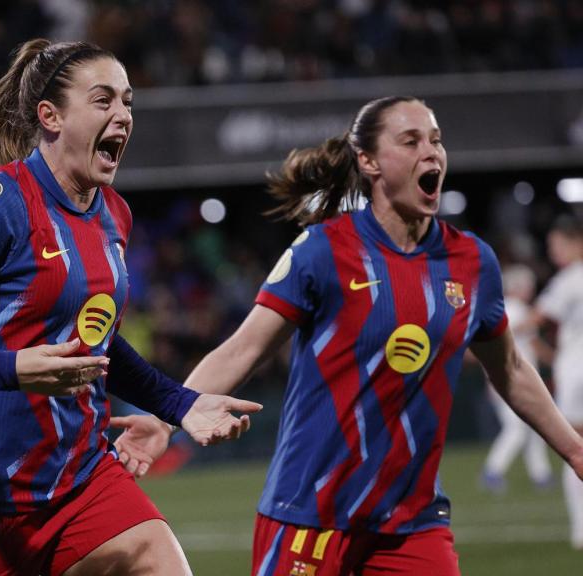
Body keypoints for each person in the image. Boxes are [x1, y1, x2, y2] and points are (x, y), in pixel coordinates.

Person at [112, 96, 583, 575]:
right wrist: (169, 419)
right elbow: (243, 348)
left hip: (413, 523)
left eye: (436, 141)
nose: (432, 153)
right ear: (369, 161)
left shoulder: (472, 262)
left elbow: (511, 369)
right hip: (310, 516)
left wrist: (575, 450)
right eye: (411, 141)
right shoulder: (323, 251)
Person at [0, 38, 262, 576]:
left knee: (160, 560)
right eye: (104, 100)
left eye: (128, 102)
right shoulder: (1, 203)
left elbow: (100, 341)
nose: (123, 115)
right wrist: (11, 369)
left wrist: (177, 404)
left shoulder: (114, 214)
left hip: (79, 482)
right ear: (51, 116)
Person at [479, 264, 552, 493]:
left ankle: (541, 475)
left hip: (506, 377)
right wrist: (558, 359)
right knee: (518, 428)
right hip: (513, 379)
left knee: (533, 427)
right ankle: (492, 471)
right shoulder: (517, 309)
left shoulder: (500, 308)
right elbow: (532, 343)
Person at [534, 214, 583, 548]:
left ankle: (581, 528)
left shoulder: (569, 279)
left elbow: (537, 317)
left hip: (576, 370)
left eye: (557, 245)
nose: (553, 252)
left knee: (575, 448)